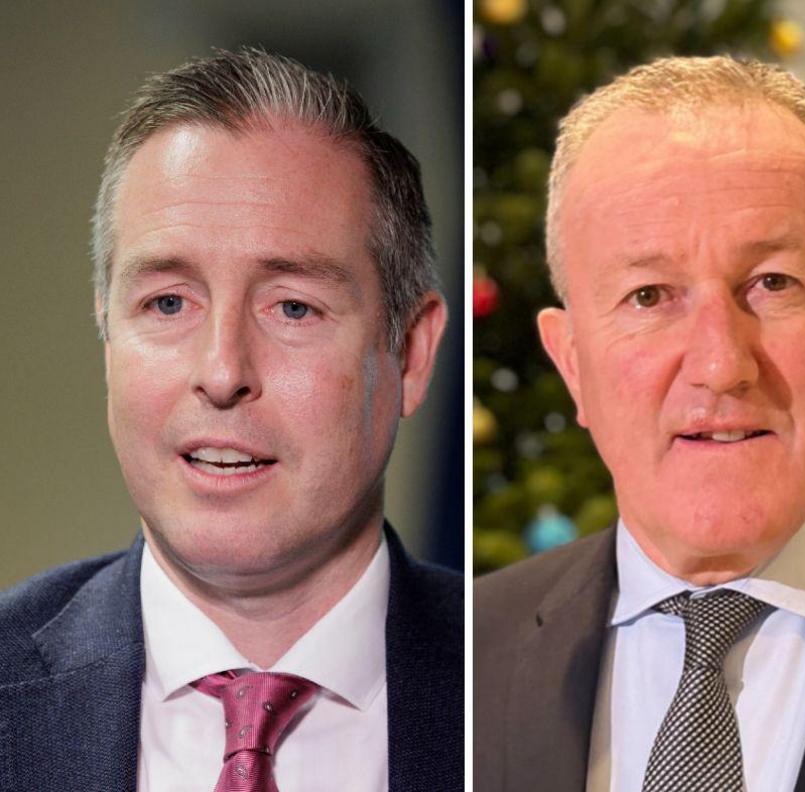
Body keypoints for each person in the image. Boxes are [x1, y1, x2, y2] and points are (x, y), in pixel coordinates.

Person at [0, 49, 459, 791]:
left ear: (409, 353)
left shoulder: (524, 685)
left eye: (293, 308)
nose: (222, 373)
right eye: (169, 303)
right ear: (107, 334)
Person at [473, 56, 805, 791]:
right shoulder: (464, 656)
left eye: (773, 284)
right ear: (572, 363)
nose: (721, 364)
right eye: (650, 296)